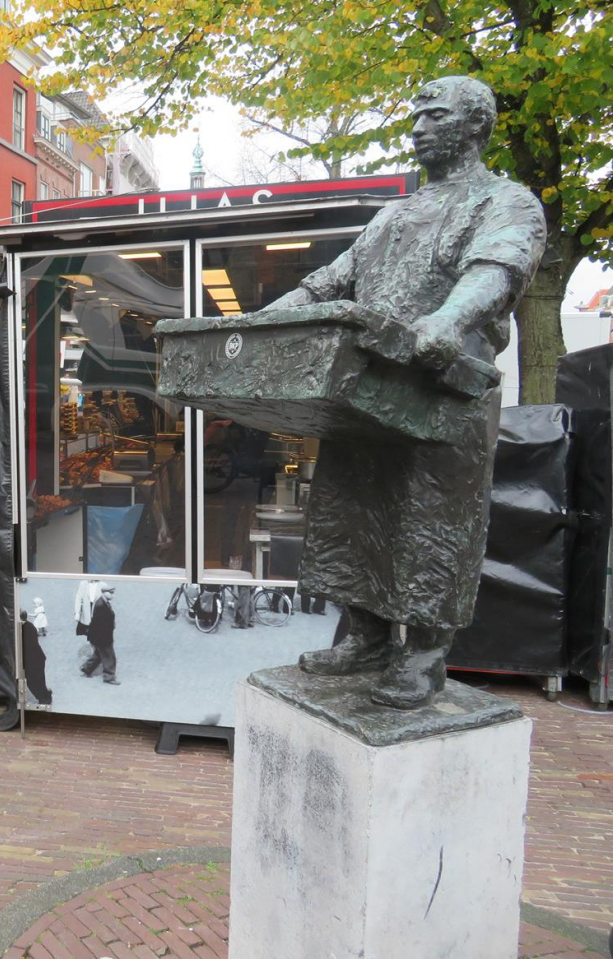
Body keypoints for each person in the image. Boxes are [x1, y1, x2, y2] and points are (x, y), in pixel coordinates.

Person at [264, 76, 547, 708]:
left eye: (435, 116)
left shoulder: (506, 201)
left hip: (443, 390)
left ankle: (424, 653)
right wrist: (261, 322)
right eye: (416, 116)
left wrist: (448, 319)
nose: (418, 128)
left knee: (432, 519)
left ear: (475, 125)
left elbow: (495, 270)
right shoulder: (393, 213)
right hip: (369, 390)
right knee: (352, 506)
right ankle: (365, 636)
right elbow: (327, 282)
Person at [80, 582, 119, 685]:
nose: (113, 595)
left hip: (99, 636)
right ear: (104, 593)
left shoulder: (103, 602)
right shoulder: (101, 605)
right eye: (111, 593)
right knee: (109, 656)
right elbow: (101, 625)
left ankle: (86, 669)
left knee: (98, 655)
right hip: (103, 636)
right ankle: (109, 677)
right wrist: (105, 639)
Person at [20, 610, 52, 706]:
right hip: (36, 658)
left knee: (34, 681)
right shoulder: (28, 626)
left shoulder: (25, 629)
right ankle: (45, 695)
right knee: (38, 680)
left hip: (33, 660)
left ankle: (44, 698)